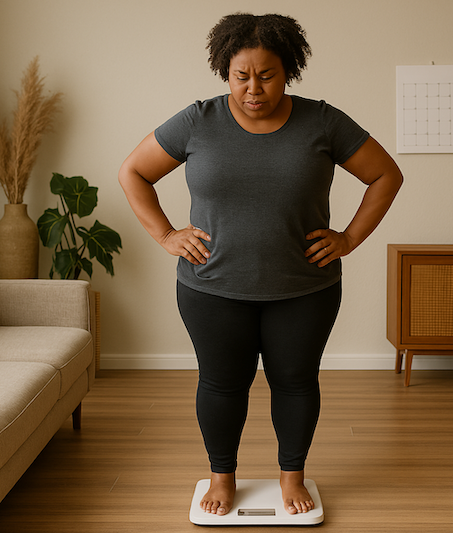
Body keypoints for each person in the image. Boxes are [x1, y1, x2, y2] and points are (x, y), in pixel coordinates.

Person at [119, 12, 403, 516]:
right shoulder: (197, 121)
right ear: (224, 72)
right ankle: (221, 476)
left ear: (287, 70)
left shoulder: (323, 121)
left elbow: (385, 175)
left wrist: (350, 238)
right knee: (220, 382)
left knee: (295, 381)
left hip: (304, 288)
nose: (253, 88)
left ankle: (292, 476)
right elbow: (133, 172)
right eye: (241, 76)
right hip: (210, 287)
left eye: (266, 75)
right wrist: (165, 234)